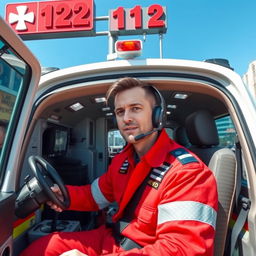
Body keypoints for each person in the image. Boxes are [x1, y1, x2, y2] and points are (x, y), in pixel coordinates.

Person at [21, 77, 218, 256]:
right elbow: (94, 195)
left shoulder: (187, 173)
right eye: (120, 111)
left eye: (136, 108)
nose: (126, 118)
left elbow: (182, 250)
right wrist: (64, 195)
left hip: (143, 250)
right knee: (46, 246)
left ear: (158, 116)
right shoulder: (123, 161)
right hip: (112, 240)